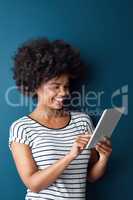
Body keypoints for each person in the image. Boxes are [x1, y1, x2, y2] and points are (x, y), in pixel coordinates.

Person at [8, 38, 112, 200]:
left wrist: (103, 158)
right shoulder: (22, 128)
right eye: (56, 86)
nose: (64, 93)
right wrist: (70, 155)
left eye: (66, 86)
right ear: (35, 86)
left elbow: (90, 176)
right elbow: (34, 184)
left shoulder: (82, 121)